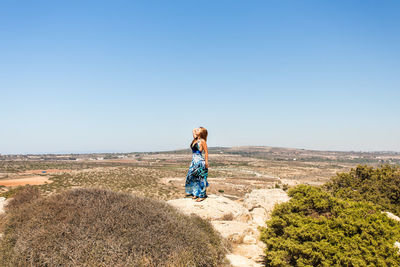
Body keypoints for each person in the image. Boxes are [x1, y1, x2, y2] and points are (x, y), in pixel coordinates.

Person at [185, 127, 209, 202]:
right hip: (194, 161)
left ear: (201, 133)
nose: (196, 130)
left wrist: (206, 162)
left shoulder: (202, 141)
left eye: (198, 130)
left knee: (201, 179)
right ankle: (195, 193)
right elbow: (193, 130)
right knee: (192, 177)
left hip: (200, 161)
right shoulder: (195, 139)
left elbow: (206, 152)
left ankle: (202, 195)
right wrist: (196, 129)